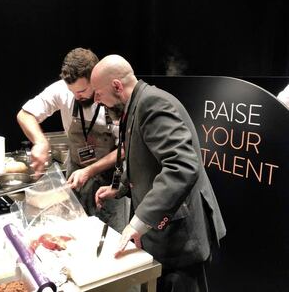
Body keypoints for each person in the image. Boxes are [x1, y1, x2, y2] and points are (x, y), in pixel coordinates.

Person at [92, 54, 226, 292]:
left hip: (180, 238)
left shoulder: (152, 103)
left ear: (116, 85)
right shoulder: (136, 104)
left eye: (98, 93)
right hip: (163, 235)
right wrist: (119, 188)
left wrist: (139, 222)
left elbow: (182, 167)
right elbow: (144, 159)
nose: (96, 100)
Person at [16, 48, 127, 232]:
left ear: (95, 79)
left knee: (110, 241)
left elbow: (125, 147)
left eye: (82, 90)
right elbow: (24, 114)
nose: (77, 96)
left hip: (110, 182)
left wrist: (90, 170)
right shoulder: (62, 90)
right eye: (72, 91)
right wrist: (40, 141)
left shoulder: (112, 97)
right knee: (74, 235)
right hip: (76, 177)